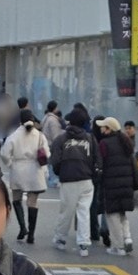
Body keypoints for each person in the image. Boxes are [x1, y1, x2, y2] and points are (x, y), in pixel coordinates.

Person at [49, 106, 100, 257]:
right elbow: (97, 159)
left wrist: (60, 173)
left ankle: (60, 238)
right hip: (86, 179)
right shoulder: (90, 139)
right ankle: (84, 244)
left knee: (67, 211)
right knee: (83, 211)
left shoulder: (61, 139)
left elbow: (55, 160)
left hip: (68, 179)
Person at [0, 109, 47, 245]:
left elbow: (4, 154)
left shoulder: (14, 135)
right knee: (33, 202)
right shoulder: (39, 135)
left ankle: (23, 228)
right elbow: (46, 153)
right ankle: (31, 234)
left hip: (18, 169)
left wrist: (10, 164)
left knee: (16, 199)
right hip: (35, 169)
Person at [96, 117, 138, 256]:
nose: (101, 129)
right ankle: (127, 238)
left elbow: (100, 164)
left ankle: (118, 246)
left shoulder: (104, 143)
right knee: (122, 213)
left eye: (103, 126)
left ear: (109, 129)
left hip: (111, 183)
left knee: (112, 215)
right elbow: (133, 163)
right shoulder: (125, 141)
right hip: (126, 183)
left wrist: (98, 179)